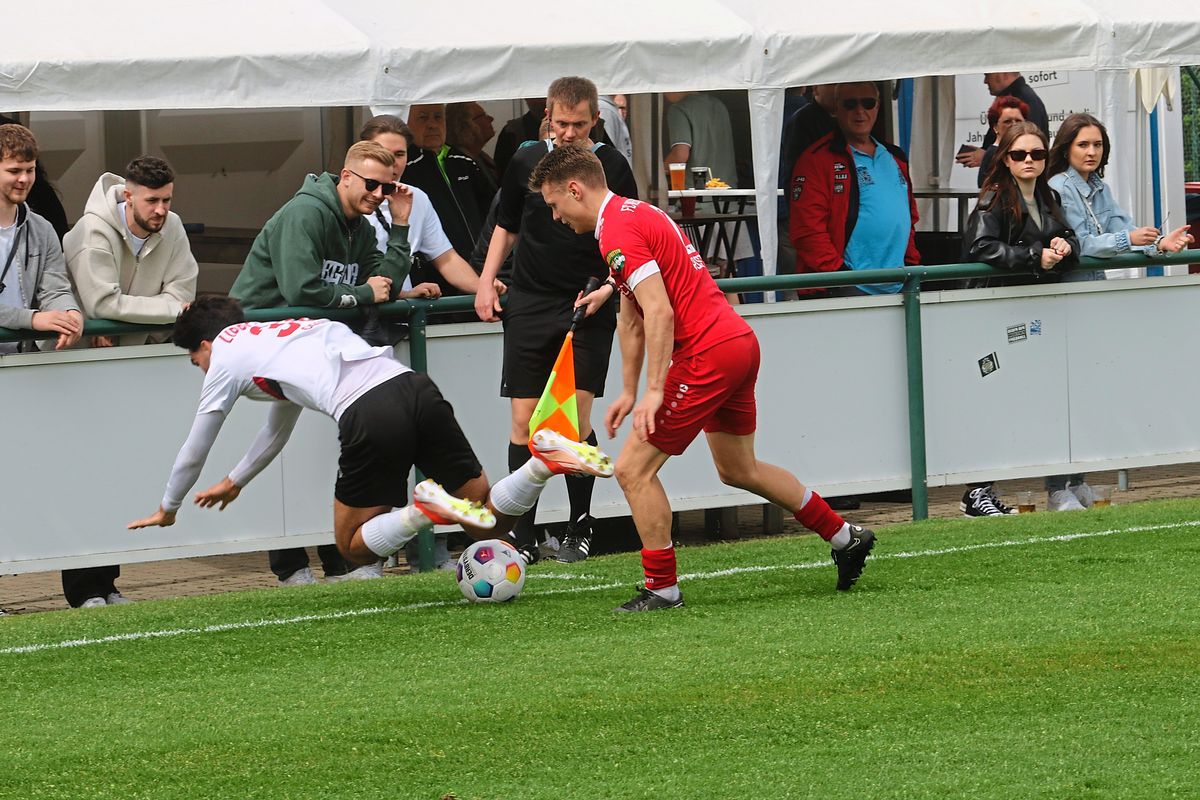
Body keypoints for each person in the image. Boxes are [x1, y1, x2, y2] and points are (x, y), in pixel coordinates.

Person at [529, 144, 878, 611]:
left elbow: (658, 310)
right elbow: (631, 316)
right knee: (739, 469)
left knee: (632, 470)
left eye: (554, 204)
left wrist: (653, 390)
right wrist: (630, 389)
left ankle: (662, 588)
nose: (554, 216)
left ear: (574, 189)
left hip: (707, 354)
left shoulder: (616, 230)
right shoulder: (635, 214)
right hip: (736, 343)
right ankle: (844, 536)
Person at [127, 297, 615, 574]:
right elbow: (278, 428)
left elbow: (197, 444)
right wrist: (237, 480)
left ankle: (424, 509)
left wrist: (169, 507)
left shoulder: (227, 356)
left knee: (353, 546)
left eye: (196, 361)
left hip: (368, 412)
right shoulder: (277, 335)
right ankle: (542, 462)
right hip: (414, 388)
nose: (201, 370)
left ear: (208, 345)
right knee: (488, 522)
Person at [229, 140, 413, 585]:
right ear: (345, 176)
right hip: (256, 347)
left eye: (387, 189)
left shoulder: (362, 226)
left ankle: (342, 557)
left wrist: (401, 227)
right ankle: (295, 563)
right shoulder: (305, 213)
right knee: (279, 446)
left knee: (326, 443)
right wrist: (364, 294)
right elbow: (302, 291)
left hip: (304, 345)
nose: (378, 195)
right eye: (371, 184)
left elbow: (384, 281)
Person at [475, 76, 638, 565]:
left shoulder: (612, 166)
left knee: (572, 421)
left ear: (597, 121)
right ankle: (522, 533)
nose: (568, 133)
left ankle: (580, 525)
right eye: (561, 122)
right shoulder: (526, 158)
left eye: (579, 124)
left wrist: (609, 287)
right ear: (547, 115)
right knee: (524, 420)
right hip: (528, 299)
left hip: (587, 300)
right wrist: (486, 280)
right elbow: (506, 223)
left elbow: (630, 239)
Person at [358, 114, 505, 567]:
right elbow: (345, 274)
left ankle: (421, 541)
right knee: (359, 446)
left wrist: (484, 284)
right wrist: (399, 292)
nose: (393, 165)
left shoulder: (416, 198)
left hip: (396, 330)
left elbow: (445, 259)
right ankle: (343, 556)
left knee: (409, 435)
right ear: (360, 158)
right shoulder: (347, 196)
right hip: (349, 331)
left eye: (400, 155)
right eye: (383, 156)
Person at [1042, 113, 1193, 511]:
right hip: (1064, 299)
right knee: (1062, 395)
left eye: (1097, 145)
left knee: (1088, 391)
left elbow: (1124, 229)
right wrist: (1132, 239)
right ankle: (1058, 488)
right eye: (1083, 145)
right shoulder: (1058, 186)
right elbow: (1082, 244)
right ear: (1066, 147)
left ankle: (1078, 481)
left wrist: (1160, 243)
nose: (1092, 152)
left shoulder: (1097, 186)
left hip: (1092, 300)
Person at [960, 121, 1081, 517]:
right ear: (1005, 159)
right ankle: (977, 491)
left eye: (1037, 154)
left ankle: (987, 489)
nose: (1029, 161)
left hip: (1028, 314)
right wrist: (1034, 257)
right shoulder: (994, 198)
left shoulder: (1046, 196)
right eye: (1019, 154)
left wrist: (1065, 244)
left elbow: (1068, 237)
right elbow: (980, 247)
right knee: (989, 398)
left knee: (1017, 398)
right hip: (994, 311)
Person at [789, 81, 921, 297]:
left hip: (897, 287)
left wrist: (910, 265)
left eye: (868, 103)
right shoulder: (816, 160)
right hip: (845, 289)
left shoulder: (895, 157)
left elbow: (909, 218)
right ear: (836, 109)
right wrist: (841, 278)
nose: (860, 111)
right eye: (850, 104)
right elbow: (807, 231)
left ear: (877, 107)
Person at [65, 156, 198, 347]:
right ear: (128, 197)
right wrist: (171, 310)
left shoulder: (173, 224)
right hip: (74, 353)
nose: (160, 210)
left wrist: (119, 319)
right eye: (152, 200)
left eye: (166, 200)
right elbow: (103, 305)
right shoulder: (93, 229)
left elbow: (181, 295)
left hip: (140, 349)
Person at [0, 123, 83, 356]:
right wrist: (33, 319)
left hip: (22, 359)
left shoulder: (42, 228)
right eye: (14, 171)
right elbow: (35, 317)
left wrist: (70, 313)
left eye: (30, 169)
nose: (24, 179)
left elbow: (55, 289)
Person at [403, 103, 493, 272]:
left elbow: (491, 212)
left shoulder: (464, 161)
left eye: (438, 117)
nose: (432, 124)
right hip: (432, 272)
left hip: (479, 264)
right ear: (406, 124)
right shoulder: (405, 168)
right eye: (423, 118)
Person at [956, 73, 1048, 171]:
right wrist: (987, 153)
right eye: (1007, 122)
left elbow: (1027, 148)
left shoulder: (1027, 100)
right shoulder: (1020, 98)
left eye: (987, 75)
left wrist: (988, 157)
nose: (985, 81)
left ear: (1002, 73)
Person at [976, 96, 1030, 188]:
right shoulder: (994, 154)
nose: (1014, 125)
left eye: (1018, 121)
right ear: (995, 127)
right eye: (1007, 121)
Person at [446, 102, 499, 192]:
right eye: (483, 115)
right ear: (464, 125)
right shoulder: (459, 166)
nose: (491, 119)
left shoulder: (480, 158)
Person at [494, 98, 546, 180]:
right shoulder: (512, 131)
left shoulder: (567, 129)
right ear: (526, 98)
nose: (543, 102)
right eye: (537, 98)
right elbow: (503, 173)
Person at [598, 94, 633, 168]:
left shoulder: (608, 109)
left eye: (623, 108)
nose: (621, 111)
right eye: (619, 107)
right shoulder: (606, 110)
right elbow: (608, 152)